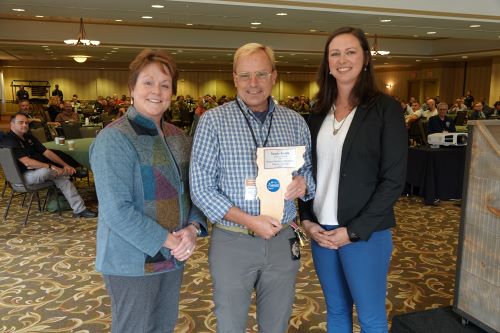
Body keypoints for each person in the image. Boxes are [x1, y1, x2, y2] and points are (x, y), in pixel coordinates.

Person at [190, 42, 314, 333]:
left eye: (261, 74)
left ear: (274, 76)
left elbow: (309, 170)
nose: (253, 83)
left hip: (283, 240)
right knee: (231, 324)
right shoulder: (213, 122)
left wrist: (304, 182)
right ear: (234, 78)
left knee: (277, 323)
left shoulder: (294, 122)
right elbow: (201, 188)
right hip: (233, 241)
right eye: (245, 75)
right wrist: (249, 221)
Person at [298, 27, 407, 333]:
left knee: (371, 317)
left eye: (350, 52)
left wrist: (355, 231)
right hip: (321, 231)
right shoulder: (318, 112)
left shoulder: (385, 109)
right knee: (336, 310)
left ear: (366, 59)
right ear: (327, 63)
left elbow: (393, 180)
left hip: (365, 233)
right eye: (335, 53)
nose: (342, 60)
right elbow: (306, 172)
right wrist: (306, 219)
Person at [89, 49, 207, 333]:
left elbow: (195, 192)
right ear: (131, 88)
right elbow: (117, 212)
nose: (157, 91)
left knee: (162, 326)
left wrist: (192, 228)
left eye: (165, 85)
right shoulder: (114, 138)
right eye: (148, 82)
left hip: (172, 256)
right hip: (130, 261)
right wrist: (170, 241)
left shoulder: (178, 137)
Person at [3, 112, 96, 218]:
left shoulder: (28, 137)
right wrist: (51, 166)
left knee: (62, 178)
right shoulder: (9, 140)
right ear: (12, 124)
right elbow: (27, 162)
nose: (25, 125)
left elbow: (47, 152)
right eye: (21, 123)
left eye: (26, 123)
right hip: (22, 178)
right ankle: (70, 174)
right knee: (48, 171)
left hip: (35, 172)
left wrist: (65, 165)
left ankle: (79, 210)